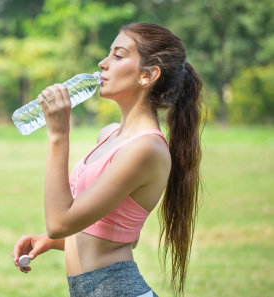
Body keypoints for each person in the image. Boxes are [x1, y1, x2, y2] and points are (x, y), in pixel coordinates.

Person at [11, 23, 203, 297]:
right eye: (108, 54)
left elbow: (58, 222)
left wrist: (58, 136)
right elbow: (119, 232)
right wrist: (55, 242)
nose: (103, 63)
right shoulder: (110, 135)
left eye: (118, 55)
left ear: (147, 76)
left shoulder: (146, 148)